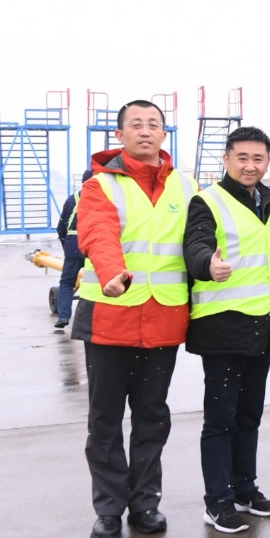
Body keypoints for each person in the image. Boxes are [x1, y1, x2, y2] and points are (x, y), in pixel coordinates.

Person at [73, 100, 198, 538]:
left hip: (163, 318)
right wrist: (111, 272)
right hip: (110, 318)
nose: (145, 131)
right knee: (104, 419)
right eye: (136, 124)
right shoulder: (99, 185)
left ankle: (145, 503)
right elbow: (98, 232)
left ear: (164, 134)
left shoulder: (186, 185)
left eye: (153, 124)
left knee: (152, 416)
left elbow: (199, 238)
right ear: (120, 135)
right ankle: (109, 508)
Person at [183, 127, 270, 532]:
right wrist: (206, 264)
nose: (250, 166)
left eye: (258, 158)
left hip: (263, 323)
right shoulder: (208, 200)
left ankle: (245, 489)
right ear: (227, 159)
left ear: (267, 162)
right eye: (242, 157)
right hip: (223, 325)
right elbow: (195, 244)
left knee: (249, 414)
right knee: (221, 419)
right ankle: (218, 500)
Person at [54, 170, 92, 329]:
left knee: (67, 282)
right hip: (94, 246)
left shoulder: (72, 199)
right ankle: (91, 317)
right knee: (98, 282)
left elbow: (61, 227)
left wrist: (67, 247)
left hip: (74, 246)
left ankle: (63, 316)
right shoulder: (105, 197)